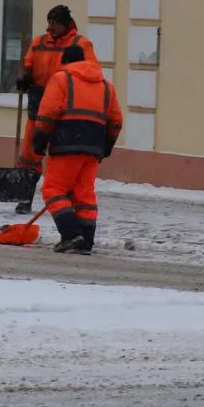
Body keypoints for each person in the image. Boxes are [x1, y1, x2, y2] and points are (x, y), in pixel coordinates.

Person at [30, 42, 123, 255]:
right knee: (84, 194)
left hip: (66, 141)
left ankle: (71, 234)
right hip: (94, 146)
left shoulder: (62, 79)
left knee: (53, 189)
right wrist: (108, 144)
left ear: (66, 61)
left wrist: (40, 138)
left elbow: (48, 112)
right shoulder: (107, 86)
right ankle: (86, 240)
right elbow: (116, 120)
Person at [13, 5, 97, 212]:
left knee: (61, 152)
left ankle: (63, 196)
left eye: (55, 23)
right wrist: (23, 77)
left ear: (66, 24)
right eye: (49, 23)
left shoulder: (81, 44)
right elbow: (27, 64)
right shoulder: (39, 42)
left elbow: (89, 70)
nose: (50, 28)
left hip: (66, 101)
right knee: (30, 152)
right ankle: (25, 197)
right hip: (39, 98)